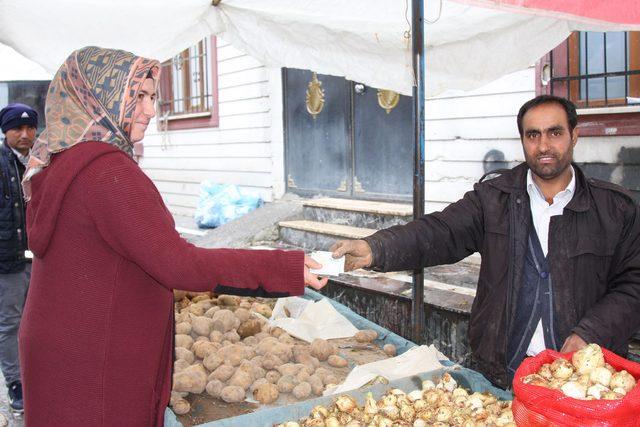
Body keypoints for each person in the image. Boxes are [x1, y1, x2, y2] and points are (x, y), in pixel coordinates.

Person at [18, 46, 327, 426]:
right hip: (97, 357)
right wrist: (286, 268)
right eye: (138, 97)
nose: (150, 110)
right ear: (102, 97)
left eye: (152, 98)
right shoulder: (106, 172)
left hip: (65, 343)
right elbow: (179, 263)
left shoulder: (58, 160)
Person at [332, 95, 640, 388]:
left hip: (582, 380)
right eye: (532, 135)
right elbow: (438, 230)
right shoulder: (493, 199)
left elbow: (633, 284)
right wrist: (376, 247)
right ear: (522, 141)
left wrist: (590, 333)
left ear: (574, 136)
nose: (543, 145)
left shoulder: (615, 210)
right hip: (502, 375)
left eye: (554, 132)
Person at [0, 103, 37, 413]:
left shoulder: (42, 162)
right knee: (10, 322)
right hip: (8, 260)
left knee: (37, 318)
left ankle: (38, 375)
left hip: (39, 258)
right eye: (17, 129)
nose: (24, 134)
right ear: (5, 131)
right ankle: (17, 383)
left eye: (30, 128)